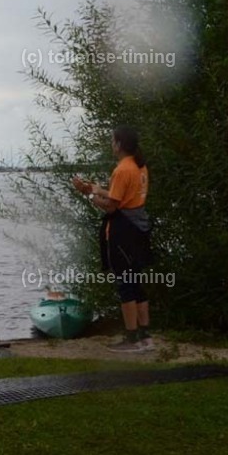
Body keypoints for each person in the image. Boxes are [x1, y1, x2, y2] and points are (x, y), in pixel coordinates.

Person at [73, 125, 153, 353]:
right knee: (136, 284)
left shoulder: (121, 170)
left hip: (123, 233)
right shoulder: (139, 166)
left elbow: (111, 207)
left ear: (119, 144)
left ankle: (131, 339)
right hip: (139, 231)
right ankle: (145, 337)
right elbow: (123, 197)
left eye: (112, 141)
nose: (111, 144)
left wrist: (88, 194)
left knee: (126, 285)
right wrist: (97, 189)